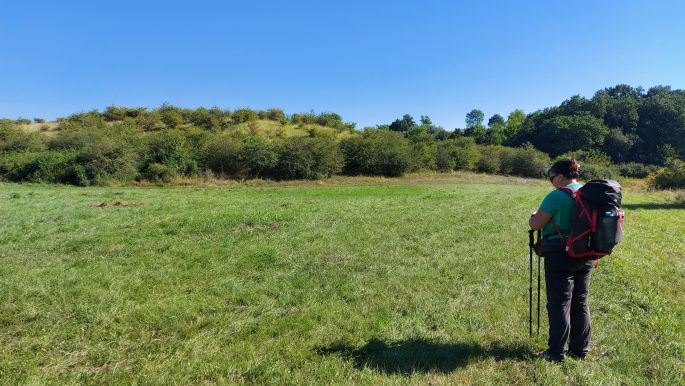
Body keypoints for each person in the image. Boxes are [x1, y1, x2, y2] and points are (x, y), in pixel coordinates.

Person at [528, 158, 593, 362]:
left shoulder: (557, 196)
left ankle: (556, 352)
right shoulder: (589, 193)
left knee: (559, 303)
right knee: (580, 300)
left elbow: (536, 224)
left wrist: (533, 216)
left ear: (561, 176)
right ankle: (580, 350)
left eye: (551, 178)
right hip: (587, 252)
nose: (551, 182)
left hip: (560, 254)